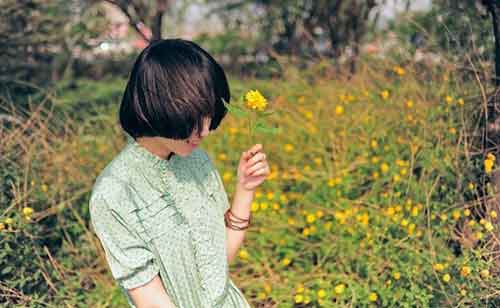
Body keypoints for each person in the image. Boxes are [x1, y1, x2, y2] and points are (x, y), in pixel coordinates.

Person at [88, 39, 270, 308]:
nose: (206, 131)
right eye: (194, 117)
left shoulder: (197, 160)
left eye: (209, 115)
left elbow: (217, 266)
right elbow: (149, 299)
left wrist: (245, 189)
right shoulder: (114, 193)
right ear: (158, 106)